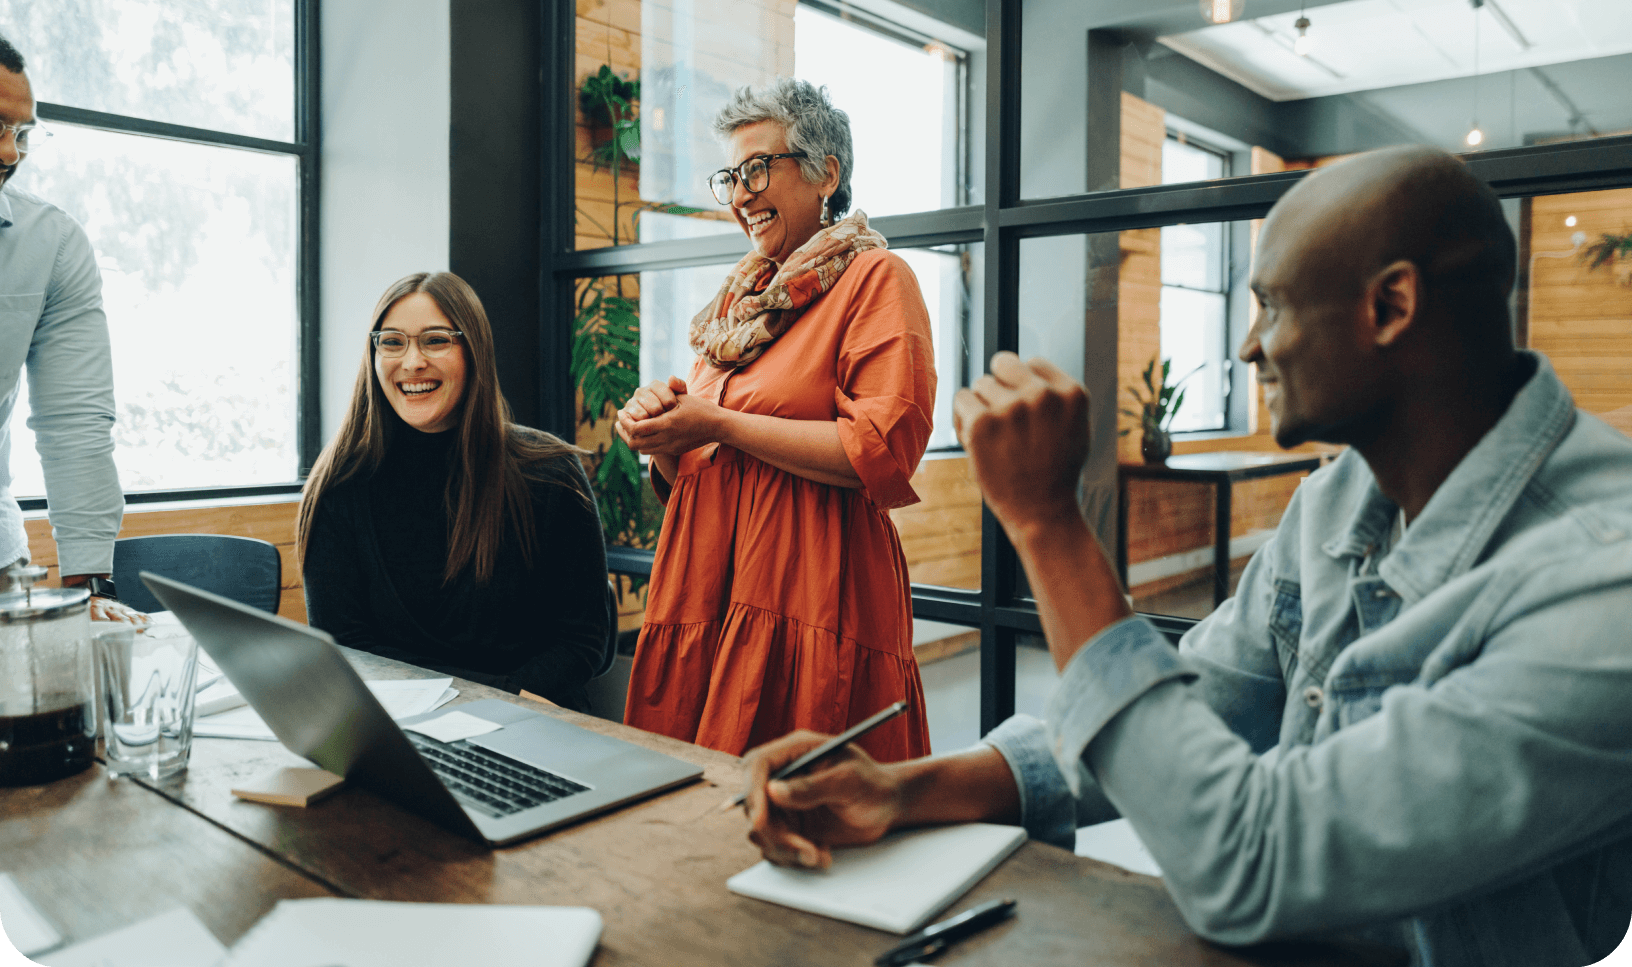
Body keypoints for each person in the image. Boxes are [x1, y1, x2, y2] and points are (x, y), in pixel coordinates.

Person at [740, 146, 1632, 966]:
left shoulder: (1603, 588)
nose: (1249, 345)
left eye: (1272, 305)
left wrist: (1049, 524)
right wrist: (905, 790)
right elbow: (1191, 706)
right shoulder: (1337, 498)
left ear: (1391, 307)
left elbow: (1253, 862)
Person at [615, 79, 934, 761]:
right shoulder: (738, 307)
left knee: (807, 810)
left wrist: (717, 424)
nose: (739, 194)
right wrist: (663, 433)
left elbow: (879, 451)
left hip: (811, 594)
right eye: (730, 175)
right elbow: (692, 475)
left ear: (827, 174)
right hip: (706, 589)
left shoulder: (876, 279)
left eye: (758, 168)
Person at [298, 272, 612, 711]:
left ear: (474, 351)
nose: (411, 362)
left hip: (528, 721)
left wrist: (493, 705)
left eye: (435, 340)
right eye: (392, 342)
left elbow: (583, 641)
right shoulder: (339, 484)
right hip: (398, 728)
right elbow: (346, 647)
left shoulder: (549, 471)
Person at [0, 33, 140, 625]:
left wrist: (90, 592)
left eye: (21, 133)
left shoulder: (50, 242)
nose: (10, 153)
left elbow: (74, 424)